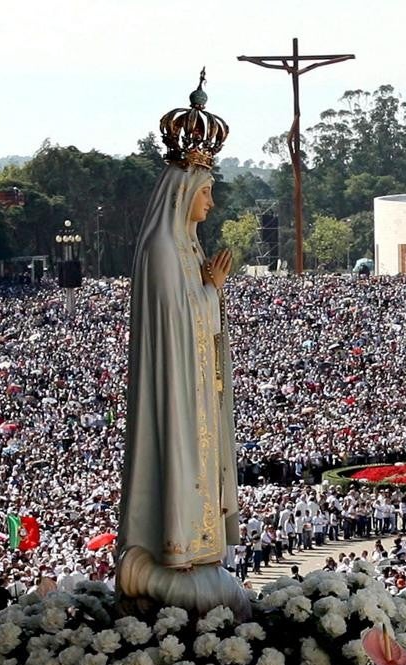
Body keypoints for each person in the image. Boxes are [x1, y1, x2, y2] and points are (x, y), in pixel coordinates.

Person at [114, 72, 247, 617]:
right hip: (178, 390)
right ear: (184, 194)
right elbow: (178, 325)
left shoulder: (186, 249)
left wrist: (210, 293)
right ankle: (172, 553)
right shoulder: (165, 251)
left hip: (197, 391)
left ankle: (201, 552)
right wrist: (210, 293)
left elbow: (198, 316)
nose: (211, 204)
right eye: (206, 193)